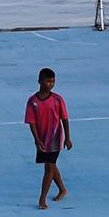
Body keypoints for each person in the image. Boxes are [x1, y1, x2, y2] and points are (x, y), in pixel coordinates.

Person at [25, 67, 71, 208]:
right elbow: (31, 122)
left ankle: (42, 199)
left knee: (49, 167)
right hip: (42, 138)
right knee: (50, 165)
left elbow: (64, 118)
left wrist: (67, 138)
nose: (51, 84)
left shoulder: (58, 99)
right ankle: (62, 189)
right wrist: (36, 139)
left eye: (53, 81)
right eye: (48, 81)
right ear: (40, 81)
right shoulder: (32, 101)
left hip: (55, 137)